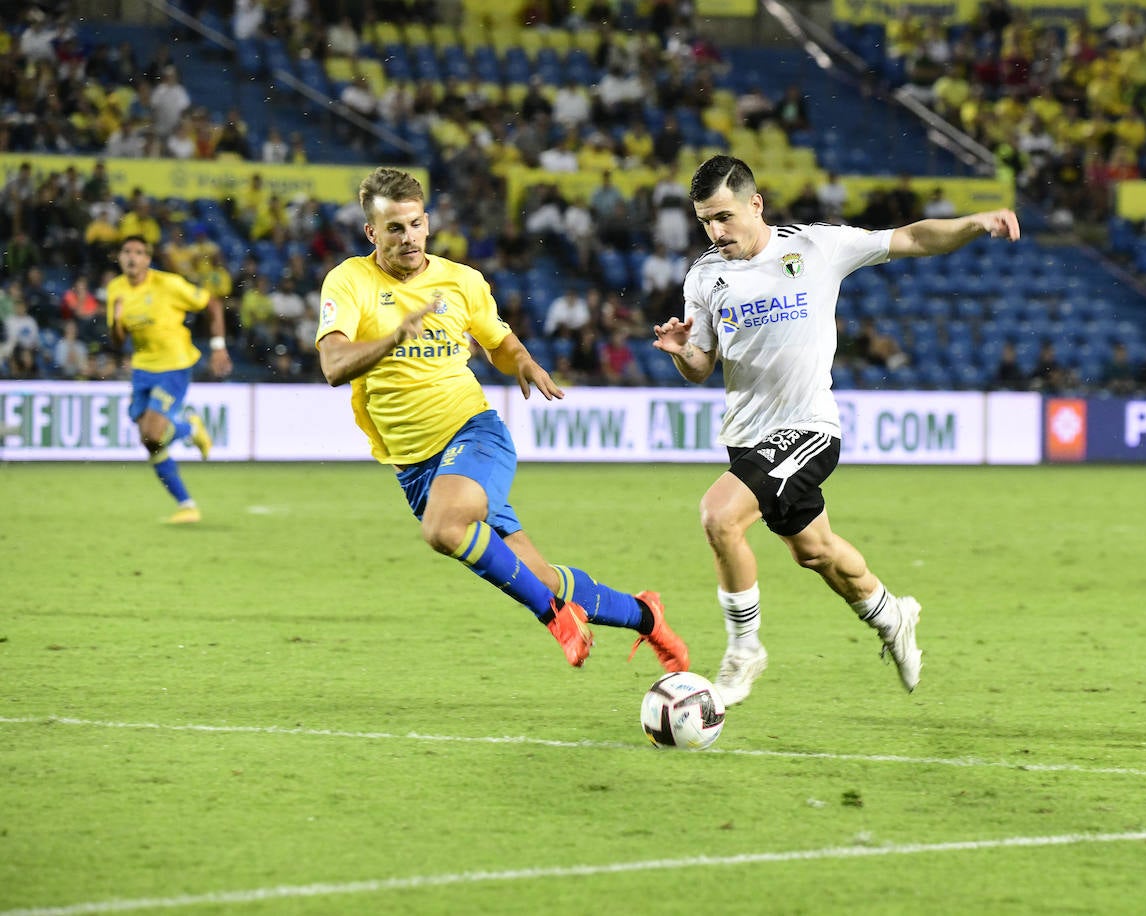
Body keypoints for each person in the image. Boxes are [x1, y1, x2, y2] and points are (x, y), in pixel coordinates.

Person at [653, 155, 1019, 704]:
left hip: (808, 429)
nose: (715, 231)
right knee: (816, 552)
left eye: (724, 217)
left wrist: (972, 224)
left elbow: (912, 238)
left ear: (756, 204)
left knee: (719, 516)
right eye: (705, 220)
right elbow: (701, 366)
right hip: (748, 436)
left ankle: (744, 649)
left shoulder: (815, 247)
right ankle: (893, 615)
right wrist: (682, 353)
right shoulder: (706, 276)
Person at [314, 167, 688, 671]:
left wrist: (525, 361)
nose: (408, 238)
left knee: (444, 529)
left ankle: (556, 617)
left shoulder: (461, 281)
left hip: (473, 432)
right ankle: (647, 617)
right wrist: (395, 338)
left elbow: (499, 343)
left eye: (415, 225)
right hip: (416, 467)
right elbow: (334, 366)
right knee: (539, 574)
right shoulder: (348, 281)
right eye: (394, 228)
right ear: (371, 233)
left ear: (427, 222)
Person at [106, 235, 231, 523]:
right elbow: (116, 340)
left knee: (152, 433)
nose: (132, 257)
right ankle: (187, 505)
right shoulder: (116, 289)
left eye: (138, 252)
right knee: (150, 442)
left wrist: (218, 346)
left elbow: (211, 303)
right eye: (126, 251)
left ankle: (187, 429)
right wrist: (115, 320)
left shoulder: (168, 284)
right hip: (142, 369)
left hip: (174, 365)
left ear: (147, 260)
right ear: (120, 257)